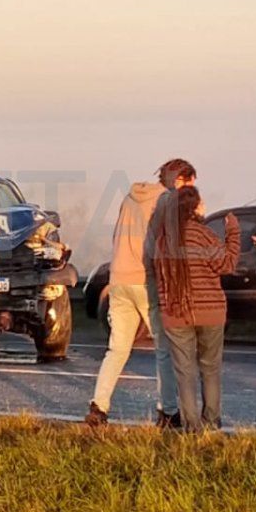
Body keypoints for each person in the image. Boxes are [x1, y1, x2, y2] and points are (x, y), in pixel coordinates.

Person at [86, 159, 195, 428]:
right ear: (179, 179)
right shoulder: (167, 201)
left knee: (117, 349)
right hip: (146, 282)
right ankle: (168, 412)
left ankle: (98, 407)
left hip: (119, 279)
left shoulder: (129, 198)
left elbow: (116, 236)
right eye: (189, 185)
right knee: (164, 349)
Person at [154, 187, 239, 432]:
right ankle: (211, 422)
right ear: (197, 207)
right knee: (210, 368)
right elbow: (227, 264)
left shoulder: (163, 240)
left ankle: (191, 425)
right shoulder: (204, 235)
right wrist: (232, 231)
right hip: (210, 311)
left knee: (185, 373)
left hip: (175, 312)